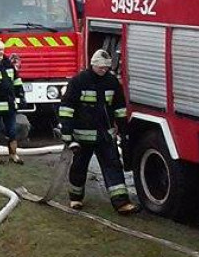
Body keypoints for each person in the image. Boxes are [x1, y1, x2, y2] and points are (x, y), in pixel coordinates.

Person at [58, 49, 139, 214]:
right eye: (101, 67)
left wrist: (124, 132)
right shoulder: (78, 81)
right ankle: (75, 198)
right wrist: (68, 136)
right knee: (79, 168)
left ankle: (121, 203)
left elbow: (120, 109)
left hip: (105, 135)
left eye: (107, 68)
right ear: (93, 65)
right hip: (82, 136)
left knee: (113, 166)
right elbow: (66, 110)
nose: (104, 70)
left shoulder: (111, 82)